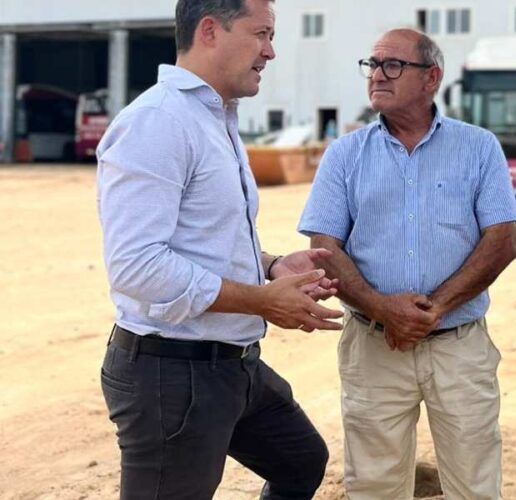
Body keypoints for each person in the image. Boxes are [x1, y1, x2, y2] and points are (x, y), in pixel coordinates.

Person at [96, 0, 344, 497]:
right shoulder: (159, 122)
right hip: (172, 372)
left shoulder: (216, 118)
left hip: (232, 362)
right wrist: (260, 301)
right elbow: (136, 266)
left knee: (300, 460)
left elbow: (207, 239)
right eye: (261, 34)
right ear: (210, 30)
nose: (270, 52)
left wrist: (271, 267)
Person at [298, 29, 516, 499]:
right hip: (374, 347)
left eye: (392, 65)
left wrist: (431, 309)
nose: (377, 74)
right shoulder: (344, 155)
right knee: (374, 485)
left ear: (431, 78)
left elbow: (501, 242)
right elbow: (324, 246)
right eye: (372, 64)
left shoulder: (479, 148)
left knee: (476, 484)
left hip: (458, 347)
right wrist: (382, 308)